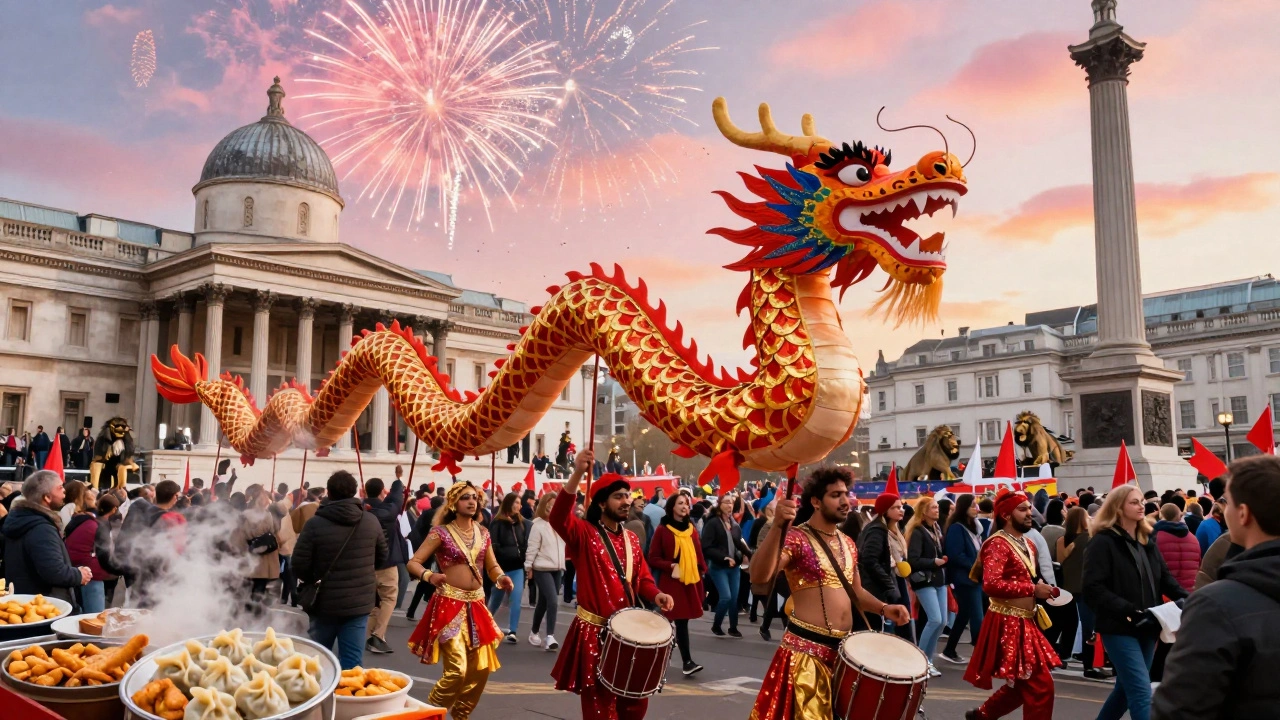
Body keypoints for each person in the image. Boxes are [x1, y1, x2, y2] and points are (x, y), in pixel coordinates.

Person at [748, 467, 910, 720]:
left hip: (843, 658)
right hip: (805, 658)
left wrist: (883, 608)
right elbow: (759, 576)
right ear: (815, 501)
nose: (845, 501)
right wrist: (779, 526)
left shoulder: (848, 542)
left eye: (846, 494)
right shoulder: (796, 539)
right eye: (836, 495)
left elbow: (855, 591)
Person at [1152, 455, 1280, 718]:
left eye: (1227, 503)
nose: (1222, 510)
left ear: (1243, 514)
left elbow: (1179, 710)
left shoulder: (1216, 606)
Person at [548, 450, 673, 720]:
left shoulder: (632, 539)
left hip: (630, 633)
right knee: (600, 709)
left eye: (627, 496)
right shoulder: (583, 533)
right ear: (602, 503)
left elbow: (642, 581)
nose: (626, 501)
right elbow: (558, 517)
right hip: (595, 632)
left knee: (636, 706)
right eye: (619, 497)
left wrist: (657, 594)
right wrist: (579, 473)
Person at [406, 481, 513, 718]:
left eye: (474, 497)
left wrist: (501, 577)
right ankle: (430, 715)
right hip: (448, 605)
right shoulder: (440, 532)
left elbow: (492, 564)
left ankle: (461, 715)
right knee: (457, 670)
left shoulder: (483, 532)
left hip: (477, 605)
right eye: (465, 497)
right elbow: (413, 562)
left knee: (480, 670)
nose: (471, 501)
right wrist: (429, 575)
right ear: (454, 503)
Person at [1082, 484, 1188, 720]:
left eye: (1141, 501)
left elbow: (1166, 580)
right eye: (1134, 502)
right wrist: (1130, 611)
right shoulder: (1102, 541)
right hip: (1118, 626)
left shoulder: (1146, 539)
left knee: (1125, 689)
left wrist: (1193, 599)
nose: (1142, 506)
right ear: (1118, 508)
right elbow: (1092, 588)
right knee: (1140, 691)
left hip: (1148, 625)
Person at [962, 489, 1060, 720]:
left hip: (1026, 620)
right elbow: (991, 584)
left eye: (1029, 508)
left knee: (1022, 683)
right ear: (1006, 515)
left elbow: (1025, 579)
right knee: (1040, 686)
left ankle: (981, 716)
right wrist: (1033, 590)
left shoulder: (1029, 543)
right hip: (1008, 621)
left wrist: (1044, 589)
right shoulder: (997, 544)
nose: (1029, 513)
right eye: (1023, 509)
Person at [293, 470, 387, 670]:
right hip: (359, 602)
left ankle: (319, 699)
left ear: (329, 493)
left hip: (323, 601)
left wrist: (314, 579)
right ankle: (350, 699)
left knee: (316, 662)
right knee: (352, 665)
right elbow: (382, 558)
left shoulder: (315, 524)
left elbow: (299, 565)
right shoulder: (370, 521)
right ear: (354, 492)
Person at [2, 471, 92, 602]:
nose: (64, 492)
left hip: (27, 603)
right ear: (47, 497)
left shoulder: (23, 520)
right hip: (46, 607)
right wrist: (79, 575)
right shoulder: (41, 529)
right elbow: (54, 572)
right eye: (60, 487)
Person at [647, 491, 707, 676]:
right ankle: (651, 656)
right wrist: (670, 565)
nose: (684, 506)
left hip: (689, 581)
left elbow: (698, 554)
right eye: (680, 503)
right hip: (671, 582)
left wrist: (702, 572)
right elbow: (653, 557)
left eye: (686, 504)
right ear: (672, 506)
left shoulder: (691, 529)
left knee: (682, 621)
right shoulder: (662, 530)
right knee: (667, 620)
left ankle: (687, 662)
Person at [362, 476, 407, 655]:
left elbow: (392, 500)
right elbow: (396, 498)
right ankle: (378, 636)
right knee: (389, 598)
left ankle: (368, 635)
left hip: (367, 562)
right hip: (386, 563)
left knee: (374, 602)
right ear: (383, 491)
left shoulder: (361, 508)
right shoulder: (387, 511)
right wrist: (397, 481)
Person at [905, 496, 948, 676]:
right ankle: (920, 661)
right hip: (924, 580)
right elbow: (913, 560)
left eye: (937, 507)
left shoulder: (936, 529)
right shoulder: (917, 531)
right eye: (933, 508)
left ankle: (928, 661)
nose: (937, 510)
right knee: (935, 620)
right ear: (924, 511)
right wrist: (934, 561)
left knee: (942, 621)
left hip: (938, 580)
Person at [857, 493, 908, 636]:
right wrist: (889, 586)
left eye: (901, 506)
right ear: (885, 510)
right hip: (876, 589)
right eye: (896, 507)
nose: (901, 510)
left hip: (882, 585)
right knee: (881, 632)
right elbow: (869, 560)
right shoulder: (877, 529)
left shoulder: (887, 528)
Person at [1056, 507, 1098, 674]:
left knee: (1067, 624)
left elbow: (1060, 561)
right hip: (1085, 587)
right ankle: (1089, 663)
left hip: (1067, 587)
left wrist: (1068, 550)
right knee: (1088, 626)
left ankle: (1063, 656)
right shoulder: (1091, 538)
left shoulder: (1062, 539)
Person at [942, 494, 983, 665]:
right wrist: (975, 566)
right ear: (964, 507)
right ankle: (982, 654)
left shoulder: (973, 527)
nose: (976, 508)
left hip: (973, 578)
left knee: (964, 615)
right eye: (973, 505)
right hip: (965, 578)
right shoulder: (957, 528)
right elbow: (955, 555)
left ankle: (949, 649)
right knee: (977, 616)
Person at [701, 493, 750, 638]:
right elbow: (706, 547)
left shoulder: (733, 523)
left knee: (734, 598)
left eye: (731, 502)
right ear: (719, 504)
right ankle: (716, 625)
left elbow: (738, 542)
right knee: (726, 597)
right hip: (719, 567)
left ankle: (733, 628)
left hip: (734, 567)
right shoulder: (713, 523)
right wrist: (724, 557)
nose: (729, 505)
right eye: (726, 502)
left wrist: (750, 554)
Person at [486, 492, 529, 645]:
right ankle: (485, 623)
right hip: (502, 568)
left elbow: (524, 543)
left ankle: (512, 631)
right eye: (516, 502)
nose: (519, 506)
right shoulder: (497, 522)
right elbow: (493, 546)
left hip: (517, 567)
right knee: (495, 600)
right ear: (509, 503)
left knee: (515, 599)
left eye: (520, 503)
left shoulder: (521, 523)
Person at [525, 493, 566, 652]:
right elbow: (532, 547)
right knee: (553, 600)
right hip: (541, 568)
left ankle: (534, 632)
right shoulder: (538, 525)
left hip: (557, 568)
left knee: (544, 601)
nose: (552, 508)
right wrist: (528, 568)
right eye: (549, 505)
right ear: (544, 506)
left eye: (555, 505)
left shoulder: (560, 523)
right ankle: (550, 636)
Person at [64, 493, 117, 613]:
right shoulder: (96, 525)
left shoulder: (79, 521)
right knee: (94, 615)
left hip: (74, 570)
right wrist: (119, 569)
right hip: (90, 574)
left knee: (80, 611)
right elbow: (104, 554)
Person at [1152, 503, 1200, 592]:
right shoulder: (1194, 539)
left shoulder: (1155, 537)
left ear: (1161, 514)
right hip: (1190, 592)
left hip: (1166, 593)